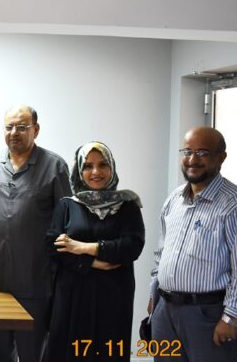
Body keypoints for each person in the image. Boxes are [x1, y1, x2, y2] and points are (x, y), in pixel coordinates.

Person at [0, 105, 71, 362]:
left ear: (36, 130)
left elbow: (66, 219)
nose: (14, 132)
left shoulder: (55, 166)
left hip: (35, 277)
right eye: (9, 126)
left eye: (22, 127)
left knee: (32, 351)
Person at [149, 127, 237, 362]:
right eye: (187, 151)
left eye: (203, 152)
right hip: (165, 312)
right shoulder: (174, 199)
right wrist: (154, 295)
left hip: (209, 316)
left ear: (221, 157)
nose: (192, 159)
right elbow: (161, 253)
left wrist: (231, 318)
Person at [45, 141, 145, 361]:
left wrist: (82, 247)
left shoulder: (128, 206)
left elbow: (131, 247)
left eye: (102, 164)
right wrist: (93, 262)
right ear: (79, 171)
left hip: (114, 295)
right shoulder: (67, 205)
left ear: (112, 167)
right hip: (73, 294)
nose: (95, 172)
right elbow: (54, 246)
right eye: (88, 166)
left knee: (107, 351)